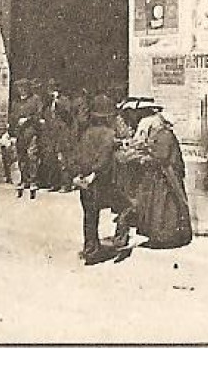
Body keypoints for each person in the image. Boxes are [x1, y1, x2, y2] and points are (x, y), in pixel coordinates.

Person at [117, 98, 193, 249]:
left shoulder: (161, 132)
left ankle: (164, 236)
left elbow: (161, 156)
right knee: (159, 205)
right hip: (161, 173)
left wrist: (144, 157)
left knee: (163, 206)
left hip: (165, 175)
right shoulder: (158, 129)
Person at [71, 94, 131, 264]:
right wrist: (94, 174)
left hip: (85, 180)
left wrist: (80, 174)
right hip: (102, 181)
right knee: (125, 206)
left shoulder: (86, 133)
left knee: (90, 216)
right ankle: (120, 240)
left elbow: (79, 155)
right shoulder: (109, 133)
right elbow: (104, 158)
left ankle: (90, 249)